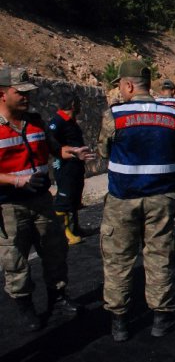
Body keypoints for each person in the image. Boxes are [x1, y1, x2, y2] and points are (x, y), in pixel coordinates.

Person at [97, 60, 175, 341]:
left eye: (121, 87)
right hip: (161, 198)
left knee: (118, 260)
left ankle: (120, 323)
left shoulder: (115, 115)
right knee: (159, 257)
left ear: (128, 85)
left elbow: (103, 152)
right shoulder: (173, 115)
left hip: (123, 199)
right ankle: (161, 319)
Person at [0, 67, 91, 332]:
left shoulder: (36, 121)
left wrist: (71, 152)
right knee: (15, 259)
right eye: (21, 93)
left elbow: (54, 149)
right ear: (3, 94)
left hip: (41, 200)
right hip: (9, 205)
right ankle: (25, 306)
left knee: (55, 250)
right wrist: (16, 180)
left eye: (29, 93)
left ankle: (58, 299)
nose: (27, 98)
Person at [49, 92, 87, 245]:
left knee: (74, 197)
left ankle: (75, 227)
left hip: (76, 166)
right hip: (65, 166)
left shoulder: (71, 121)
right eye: (78, 103)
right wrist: (65, 151)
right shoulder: (57, 121)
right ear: (73, 105)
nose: (79, 107)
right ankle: (64, 232)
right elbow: (51, 141)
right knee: (64, 199)